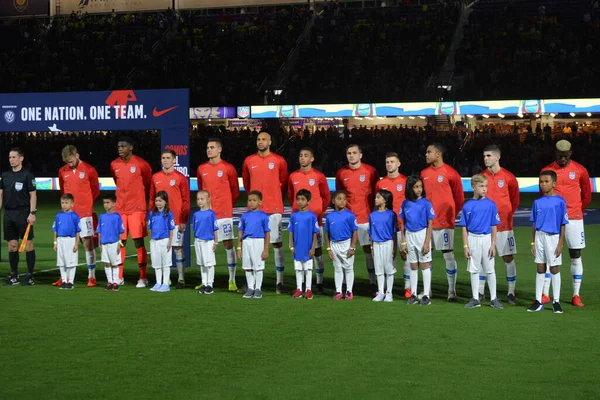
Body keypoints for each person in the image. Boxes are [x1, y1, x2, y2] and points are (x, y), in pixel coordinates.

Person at [540, 140, 591, 307]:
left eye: (566, 156)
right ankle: (545, 294)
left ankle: (576, 295)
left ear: (570, 154)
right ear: (555, 153)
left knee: (575, 255)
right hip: (553, 220)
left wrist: (576, 210)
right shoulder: (546, 171)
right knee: (551, 255)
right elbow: (544, 195)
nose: (563, 159)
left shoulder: (580, 170)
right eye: (560, 156)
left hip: (574, 219)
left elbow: (587, 195)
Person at [242, 132, 288, 293]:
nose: (260, 142)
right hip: (254, 211)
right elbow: (247, 185)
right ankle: (252, 283)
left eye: (263, 139)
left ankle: (279, 281)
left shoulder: (278, 161)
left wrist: (275, 199)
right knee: (252, 245)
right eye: (258, 139)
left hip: (273, 209)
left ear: (270, 142)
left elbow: (284, 183)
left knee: (276, 244)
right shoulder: (249, 160)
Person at [420, 143, 464, 302]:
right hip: (427, 223)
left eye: (429, 151)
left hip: (445, 222)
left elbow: (459, 198)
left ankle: (451, 291)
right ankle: (428, 291)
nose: (426, 154)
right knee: (426, 256)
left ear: (438, 154)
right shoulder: (424, 173)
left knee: (448, 255)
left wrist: (450, 215)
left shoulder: (450, 173)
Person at [335, 144, 380, 296]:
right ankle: (345, 285)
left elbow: (377, 193)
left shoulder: (371, 171)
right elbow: (340, 196)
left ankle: (373, 282)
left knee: (369, 251)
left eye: (354, 153)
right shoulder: (341, 173)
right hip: (347, 221)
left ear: (361, 155)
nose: (351, 156)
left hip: (365, 218)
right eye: (349, 153)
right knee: (344, 252)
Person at [197, 138, 240, 291]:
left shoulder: (228, 168)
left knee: (228, 244)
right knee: (206, 246)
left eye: (212, 147)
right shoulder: (202, 168)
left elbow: (235, 191)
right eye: (207, 147)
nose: (209, 150)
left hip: (224, 213)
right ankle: (207, 281)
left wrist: (227, 205)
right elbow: (202, 190)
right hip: (208, 215)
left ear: (219, 150)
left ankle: (232, 280)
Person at [110, 137, 152, 288]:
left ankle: (143, 277)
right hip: (120, 210)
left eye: (123, 146)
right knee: (121, 243)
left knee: (138, 242)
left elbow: (147, 183)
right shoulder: (114, 164)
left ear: (131, 147)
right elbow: (117, 182)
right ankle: (119, 276)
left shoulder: (141, 164)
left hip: (137, 210)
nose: (120, 148)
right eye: (118, 146)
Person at [287, 147, 330, 295]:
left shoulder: (319, 176)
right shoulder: (293, 176)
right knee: (299, 249)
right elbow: (291, 194)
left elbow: (326, 197)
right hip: (298, 221)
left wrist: (318, 210)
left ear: (312, 159)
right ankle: (302, 285)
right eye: (300, 155)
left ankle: (319, 282)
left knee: (317, 251)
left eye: (306, 156)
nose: (302, 158)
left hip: (314, 220)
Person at [56, 145, 100, 287]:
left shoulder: (89, 170)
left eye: (71, 161)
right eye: (67, 162)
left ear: (77, 155)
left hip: (84, 214)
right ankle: (64, 277)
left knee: (87, 243)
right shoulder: (62, 171)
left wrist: (86, 204)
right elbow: (63, 191)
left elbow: (95, 190)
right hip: (68, 215)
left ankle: (91, 276)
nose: (69, 164)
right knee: (66, 244)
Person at [480, 145, 520, 304]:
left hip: (504, 226)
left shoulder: (509, 177)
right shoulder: (481, 177)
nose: (486, 159)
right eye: (484, 156)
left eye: (489, 156)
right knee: (484, 258)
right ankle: (480, 291)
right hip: (485, 227)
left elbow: (515, 201)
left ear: (497, 157)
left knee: (508, 257)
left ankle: (511, 293)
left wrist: (506, 214)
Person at [458, 174, 502, 310]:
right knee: (474, 270)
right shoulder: (467, 206)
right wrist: (465, 246)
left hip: (486, 239)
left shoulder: (491, 205)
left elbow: (494, 226)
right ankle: (475, 298)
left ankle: (494, 298)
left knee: (490, 270)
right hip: (473, 239)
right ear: (473, 187)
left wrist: (493, 244)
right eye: (481, 186)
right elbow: (464, 228)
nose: (484, 189)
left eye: (486, 186)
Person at [528, 171, 568, 314]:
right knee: (540, 268)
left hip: (553, 238)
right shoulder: (537, 202)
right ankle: (538, 301)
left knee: (554, 268)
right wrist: (532, 242)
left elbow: (563, 223)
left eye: (546, 181)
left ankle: (556, 301)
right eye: (541, 182)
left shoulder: (560, 202)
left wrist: (560, 243)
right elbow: (534, 223)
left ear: (554, 183)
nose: (543, 184)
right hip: (539, 236)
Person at [149, 149, 190, 289]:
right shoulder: (155, 177)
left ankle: (181, 278)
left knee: (177, 248)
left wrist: (183, 218)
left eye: (168, 158)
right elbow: (151, 199)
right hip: (160, 221)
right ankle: (165, 279)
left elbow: (186, 200)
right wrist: (151, 217)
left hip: (177, 219)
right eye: (163, 158)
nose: (165, 160)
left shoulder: (180, 178)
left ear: (174, 160)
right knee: (162, 250)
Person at [375, 152, 410, 298]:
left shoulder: (406, 181)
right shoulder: (380, 183)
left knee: (405, 255)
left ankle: (408, 287)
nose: (389, 164)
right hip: (387, 228)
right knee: (389, 257)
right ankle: (387, 289)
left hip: (403, 226)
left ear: (399, 164)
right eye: (387, 162)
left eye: (392, 161)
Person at [0, 147, 37, 286]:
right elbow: (0, 194)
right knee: (12, 246)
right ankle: (14, 276)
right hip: (9, 214)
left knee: (28, 244)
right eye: (10, 157)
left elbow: (33, 195)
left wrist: (32, 213)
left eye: (14, 157)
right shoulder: (5, 176)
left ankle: (30, 276)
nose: (11, 160)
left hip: (23, 213)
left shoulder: (27, 175)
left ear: (21, 158)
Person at [399, 176, 435, 306]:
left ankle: (426, 295)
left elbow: (430, 223)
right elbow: (402, 224)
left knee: (424, 264)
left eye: (420, 186)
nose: (419, 189)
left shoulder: (426, 203)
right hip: (409, 236)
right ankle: (413, 294)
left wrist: (427, 242)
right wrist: (403, 241)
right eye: (416, 187)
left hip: (422, 234)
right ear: (410, 188)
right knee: (413, 265)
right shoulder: (405, 204)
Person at [237, 190, 271, 299]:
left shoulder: (264, 216)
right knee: (248, 267)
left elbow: (267, 233)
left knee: (258, 267)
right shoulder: (244, 216)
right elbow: (240, 232)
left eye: (254, 200)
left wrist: (266, 249)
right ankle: (250, 288)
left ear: (260, 202)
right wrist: (239, 247)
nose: (251, 202)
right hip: (247, 242)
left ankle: (258, 288)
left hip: (258, 242)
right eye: (249, 200)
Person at [325, 190, 358, 300]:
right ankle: (338, 291)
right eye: (339, 199)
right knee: (338, 268)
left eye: (344, 199)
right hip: (334, 245)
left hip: (346, 244)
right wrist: (328, 248)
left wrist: (352, 247)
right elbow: (327, 233)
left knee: (348, 268)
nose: (342, 201)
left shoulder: (350, 215)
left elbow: (355, 231)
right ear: (333, 201)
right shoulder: (330, 217)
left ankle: (349, 291)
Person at [289, 189, 320, 300]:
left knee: (308, 269)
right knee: (298, 269)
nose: (300, 202)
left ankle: (308, 290)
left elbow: (315, 233)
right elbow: (291, 232)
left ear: (308, 201)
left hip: (308, 248)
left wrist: (313, 248)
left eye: (303, 199)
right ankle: (299, 289)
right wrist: (291, 246)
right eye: (298, 199)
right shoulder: (294, 216)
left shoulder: (311, 216)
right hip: (297, 247)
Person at [369, 189, 398, 302]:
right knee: (379, 269)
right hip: (376, 244)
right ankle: (381, 292)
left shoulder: (391, 215)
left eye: (378, 197)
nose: (375, 199)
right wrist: (372, 247)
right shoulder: (372, 215)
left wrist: (394, 248)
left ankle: (389, 293)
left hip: (388, 243)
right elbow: (371, 233)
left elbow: (394, 232)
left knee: (389, 269)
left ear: (385, 200)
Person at [148, 191, 175, 293]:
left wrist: (170, 241)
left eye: (160, 201)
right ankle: (158, 282)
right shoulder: (152, 214)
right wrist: (151, 240)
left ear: (165, 202)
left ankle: (165, 283)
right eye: (156, 200)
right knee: (156, 263)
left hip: (165, 241)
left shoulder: (168, 214)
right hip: (155, 242)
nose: (158, 203)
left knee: (166, 263)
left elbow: (171, 228)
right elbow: (150, 228)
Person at [96, 193, 124, 292]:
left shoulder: (117, 217)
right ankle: (110, 282)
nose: (105, 205)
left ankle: (116, 282)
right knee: (107, 263)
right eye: (104, 203)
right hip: (104, 244)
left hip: (114, 243)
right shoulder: (102, 216)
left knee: (115, 263)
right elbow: (99, 231)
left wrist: (119, 243)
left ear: (113, 204)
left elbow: (121, 231)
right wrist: (99, 243)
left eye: (108, 202)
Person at [52, 193, 81, 290]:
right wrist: (55, 243)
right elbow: (55, 230)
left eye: (66, 203)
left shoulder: (75, 216)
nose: (64, 205)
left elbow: (78, 231)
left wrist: (76, 244)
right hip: (60, 240)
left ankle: (70, 281)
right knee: (61, 262)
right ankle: (64, 281)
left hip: (71, 240)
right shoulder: (58, 216)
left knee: (71, 262)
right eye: (62, 203)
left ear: (72, 204)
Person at [192, 190, 218, 295]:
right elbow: (195, 229)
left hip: (208, 241)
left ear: (208, 200)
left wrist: (215, 242)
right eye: (198, 199)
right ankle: (204, 283)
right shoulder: (196, 215)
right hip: (198, 241)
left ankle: (210, 285)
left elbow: (215, 228)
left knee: (209, 264)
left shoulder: (211, 214)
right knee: (202, 264)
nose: (200, 201)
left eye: (202, 199)